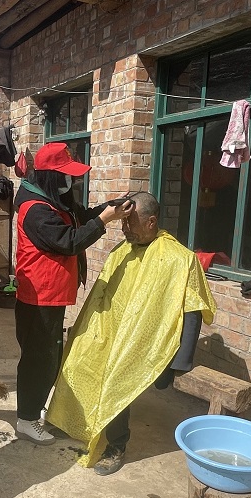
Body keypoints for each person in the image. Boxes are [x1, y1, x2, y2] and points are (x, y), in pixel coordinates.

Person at [46, 192, 217, 475]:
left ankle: (116, 445)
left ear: (151, 222)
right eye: (123, 222)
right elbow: (100, 294)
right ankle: (71, 420)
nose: (125, 229)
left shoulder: (180, 259)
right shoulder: (121, 251)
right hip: (110, 330)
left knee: (117, 378)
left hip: (146, 341)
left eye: (131, 223)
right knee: (77, 359)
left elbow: (193, 309)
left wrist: (181, 362)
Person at [13, 142, 133, 444]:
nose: (72, 181)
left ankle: (33, 409)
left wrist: (109, 208)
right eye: (66, 175)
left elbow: (82, 216)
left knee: (49, 356)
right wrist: (104, 221)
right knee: (39, 360)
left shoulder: (55, 200)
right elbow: (69, 241)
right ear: (51, 177)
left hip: (51, 294)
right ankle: (26, 419)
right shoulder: (36, 210)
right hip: (39, 297)